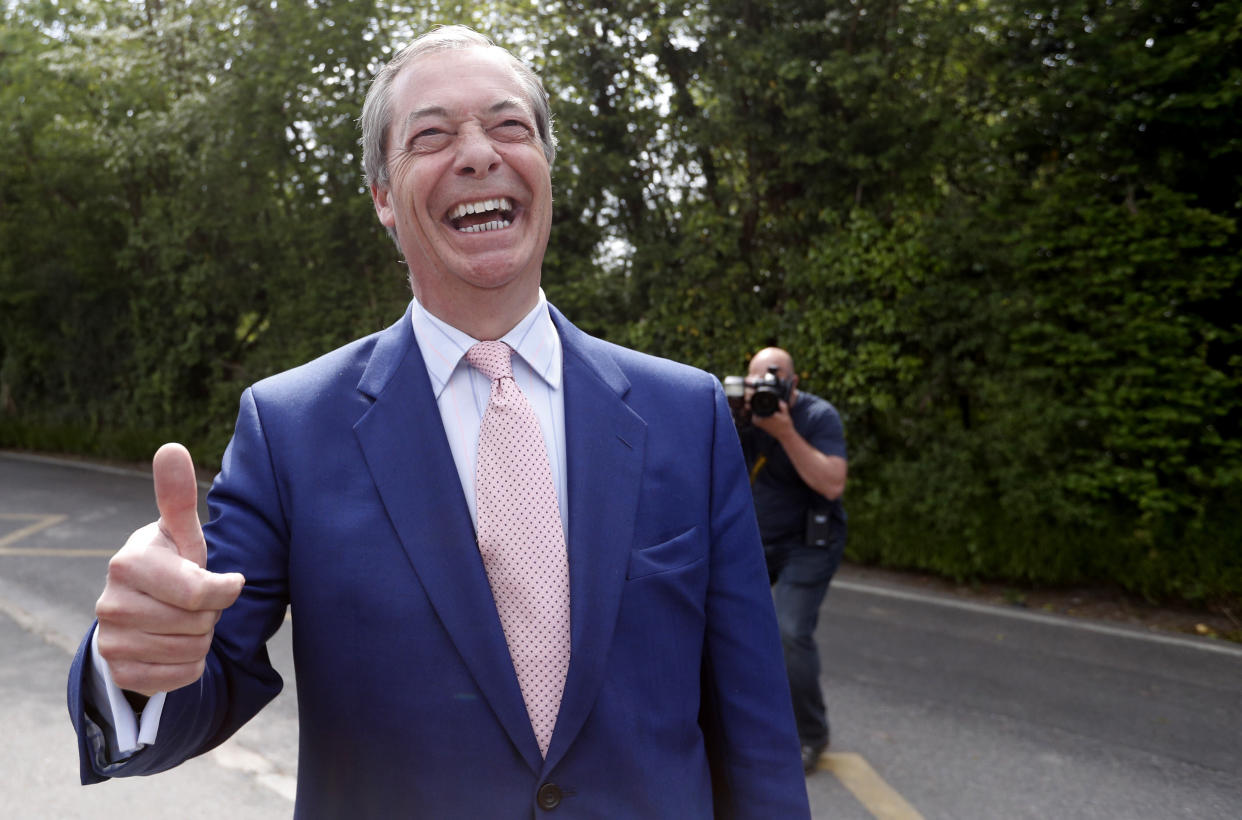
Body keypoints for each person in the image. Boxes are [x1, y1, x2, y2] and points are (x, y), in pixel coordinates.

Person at [66, 25, 811, 818]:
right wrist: (139, 665)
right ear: (384, 198)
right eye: (431, 135)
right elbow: (204, 681)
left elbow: (755, 729)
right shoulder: (289, 429)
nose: (478, 153)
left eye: (509, 126)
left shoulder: (684, 412)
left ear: (546, 170)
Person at [737, 347, 848, 774]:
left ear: (793, 383)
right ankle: (732, 720)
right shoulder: (742, 416)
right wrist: (736, 417)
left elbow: (832, 482)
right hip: (758, 539)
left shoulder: (818, 417)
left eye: (773, 378)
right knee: (716, 620)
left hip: (810, 542)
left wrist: (784, 433)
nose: (763, 387)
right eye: (755, 380)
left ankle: (810, 735)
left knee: (790, 632)